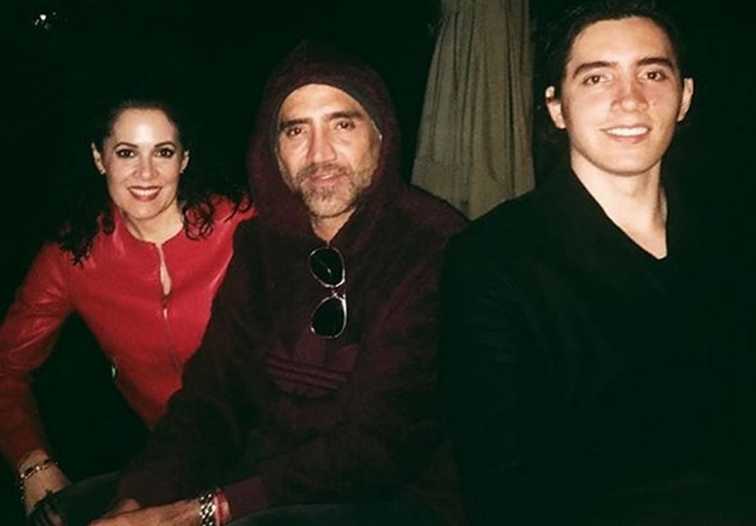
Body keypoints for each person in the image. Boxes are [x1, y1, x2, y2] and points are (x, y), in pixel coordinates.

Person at [76, 42, 465, 526]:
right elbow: (212, 394)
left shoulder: (432, 244)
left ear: (382, 135)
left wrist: (206, 509)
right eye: (296, 130)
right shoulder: (262, 245)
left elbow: (381, 442)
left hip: (397, 496)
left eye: (342, 125)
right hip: (262, 477)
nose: (320, 154)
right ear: (273, 150)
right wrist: (142, 496)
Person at [442, 1, 756, 524]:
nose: (630, 100)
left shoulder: (749, 239)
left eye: (652, 74)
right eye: (596, 78)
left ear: (685, 97)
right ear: (556, 106)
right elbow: (501, 483)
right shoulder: (492, 260)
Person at [0, 96, 254, 518]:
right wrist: (32, 463)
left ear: (184, 160)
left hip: (279, 450)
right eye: (126, 153)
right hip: (170, 466)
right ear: (99, 159)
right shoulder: (74, 255)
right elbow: (7, 366)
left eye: (163, 152)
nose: (146, 173)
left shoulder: (242, 224)